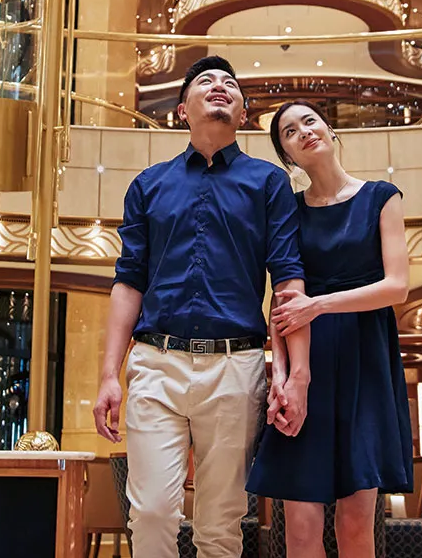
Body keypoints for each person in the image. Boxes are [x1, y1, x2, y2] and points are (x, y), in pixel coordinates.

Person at [93, 56, 312, 558]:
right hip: (156, 363)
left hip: (236, 366)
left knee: (221, 525)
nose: (220, 86)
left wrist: (294, 373)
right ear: (181, 110)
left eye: (230, 84)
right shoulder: (148, 185)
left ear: (243, 113)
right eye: (206, 81)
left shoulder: (269, 183)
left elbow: (287, 279)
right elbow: (128, 282)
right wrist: (110, 374)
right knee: (151, 513)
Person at [247, 99, 412, 558]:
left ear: (330, 130)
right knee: (300, 527)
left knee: (356, 523)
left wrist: (317, 305)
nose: (303, 132)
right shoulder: (288, 211)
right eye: (289, 132)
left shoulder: (381, 196)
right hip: (308, 362)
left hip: (366, 358)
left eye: (310, 121)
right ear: (287, 156)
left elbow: (396, 287)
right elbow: (281, 300)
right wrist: (281, 374)